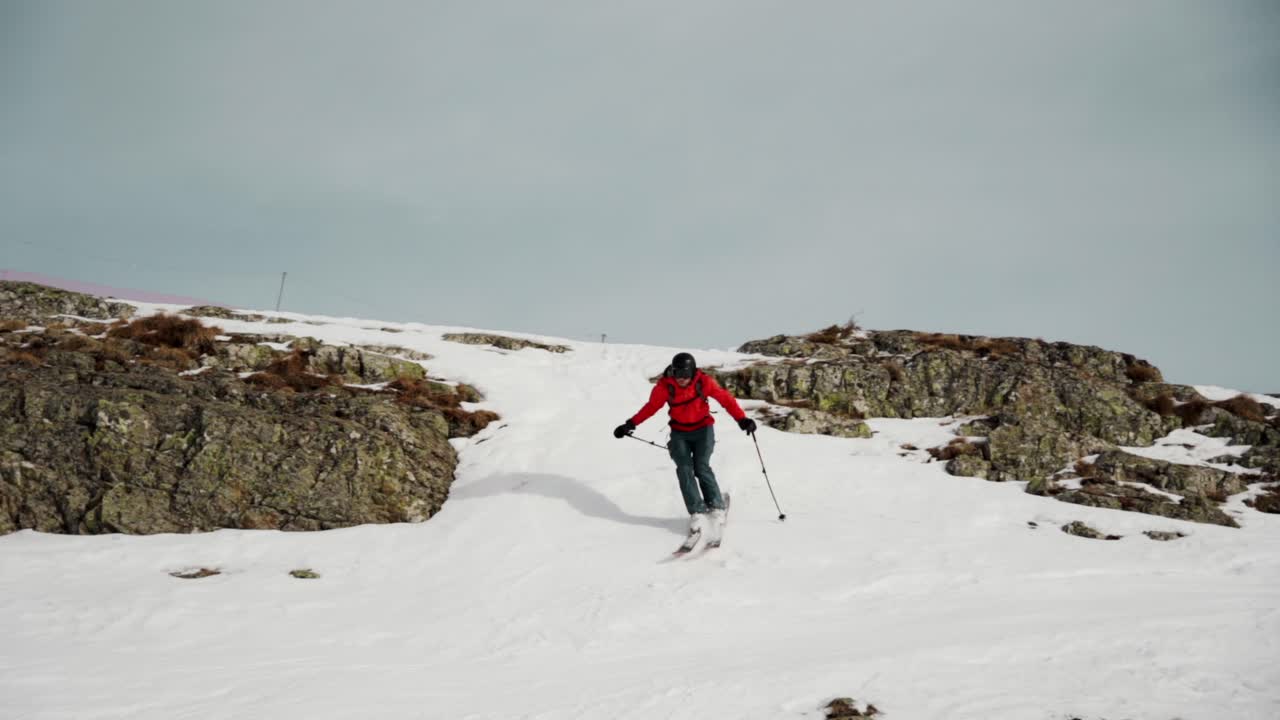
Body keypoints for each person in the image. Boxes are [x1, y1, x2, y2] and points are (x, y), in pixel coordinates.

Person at [614, 352, 757, 537]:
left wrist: (742, 420)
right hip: (679, 432)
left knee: (701, 466)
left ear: (692, 372)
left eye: (685, 374)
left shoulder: (703, 382)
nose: (681, 378)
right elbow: (651, 407)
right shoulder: (665, 387)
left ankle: (716, 507)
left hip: (703, 430)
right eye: (677, 373)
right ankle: (697, 511)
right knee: (684, 468)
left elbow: (726, 400)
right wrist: (630, 424)